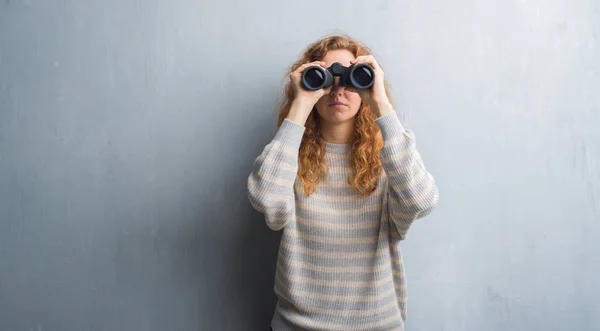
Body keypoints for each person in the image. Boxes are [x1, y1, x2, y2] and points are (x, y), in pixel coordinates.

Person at [247, 33, 439, 331]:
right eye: (324, 78)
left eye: (352, 78)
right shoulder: (288, 160)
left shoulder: (391, 159)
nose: (338, 90)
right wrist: (302, 103)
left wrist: (380, 103)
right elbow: (265, 199)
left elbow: (421, 200)